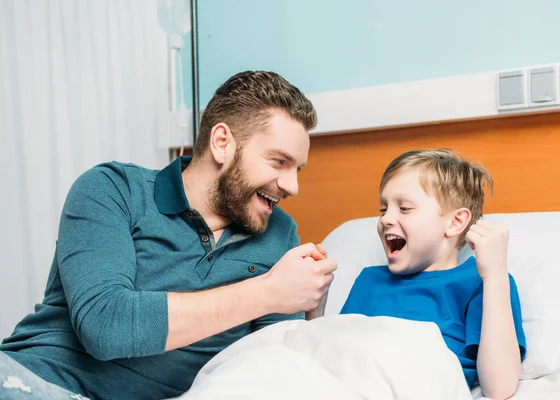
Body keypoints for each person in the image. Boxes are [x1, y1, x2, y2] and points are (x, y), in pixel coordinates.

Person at [0, 71, 337, 400]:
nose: (293, 186)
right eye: (279, 162)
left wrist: (310, 317)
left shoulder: (280, 237)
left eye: (298, 169)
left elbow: (274, 369)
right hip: (35, 380)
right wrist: (269, 292)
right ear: (222, 143)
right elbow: (106, 326)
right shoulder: (113, 190)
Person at [339, 149, 526, 399]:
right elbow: (329, 353)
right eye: (383, 209)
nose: (386, 220)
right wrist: (314, 310)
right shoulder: (369, 280)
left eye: (404, 208)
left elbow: (500, 387)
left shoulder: (479, 283)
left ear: (455, 222)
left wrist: (495, 276)